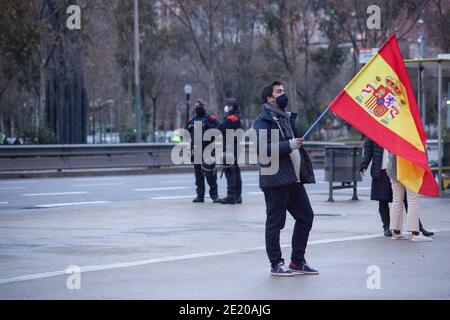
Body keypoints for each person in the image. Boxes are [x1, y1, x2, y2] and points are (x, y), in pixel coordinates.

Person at [253, 81, 318, 277]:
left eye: (283, 91)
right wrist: (290, 144)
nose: (283, 94)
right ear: (269, 98)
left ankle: (297, 261)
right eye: (279, 92)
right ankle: (276, 264)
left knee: (306, 217)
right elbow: (263, 150)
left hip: (293, 180)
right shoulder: (262, 121)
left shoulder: (286, 119)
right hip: (275, 181)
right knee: (275, 223)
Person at [359, 137, 433, 237]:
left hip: (399, 168)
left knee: (406, 200)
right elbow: (368, 151)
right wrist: (363, 165)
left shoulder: (395, 129)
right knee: (385, 200)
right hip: (382, 170)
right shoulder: (374, 131)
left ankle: (416, 227)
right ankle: (387, 227)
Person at [386, 153, 432, 241]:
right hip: (410, 169)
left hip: (394, 168)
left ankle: (396, 231)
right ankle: (414, 232)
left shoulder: (396, 138)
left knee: (396, 201)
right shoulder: (413, 138)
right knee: (413, 200)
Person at [185, 98, 220, 203]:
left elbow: (218, 128)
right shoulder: (192, 120)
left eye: (199, 106)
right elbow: (185, 131)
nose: (197, 108)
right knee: (198, 175)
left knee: (210, 174)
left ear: (203, 107)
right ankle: (200, 196)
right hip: (196, 150)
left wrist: (208, 126)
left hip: (208, 150)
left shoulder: (210, 118)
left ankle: (214, 196)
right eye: (195, 106)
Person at [217, 98, 242, 204]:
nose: (226, 107)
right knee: (235, 171)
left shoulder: (232, 118)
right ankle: (237, 196)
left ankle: (231, 195)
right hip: (233, 146)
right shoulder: (235, 117)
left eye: (228, 105)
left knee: (230, 171)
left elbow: (220, 128)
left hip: (230, 147)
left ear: (232, 106)